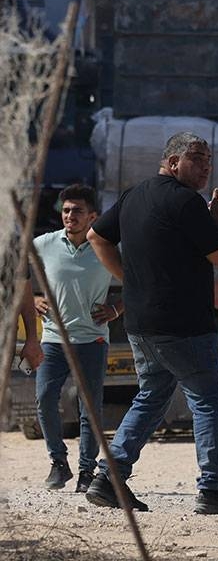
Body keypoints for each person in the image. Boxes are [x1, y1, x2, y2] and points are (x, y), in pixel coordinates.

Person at [85, 131, 218, 516]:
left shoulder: (133, 194)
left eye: (208, 159)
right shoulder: (186, 201)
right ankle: (212, 489)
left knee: (152, 395)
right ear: (173, 162)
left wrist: (129, 279)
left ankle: (109, 478)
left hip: (142, 322)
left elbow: (96, 236)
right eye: (197, 158)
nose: (206, 166)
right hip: (183, 323)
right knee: (207, 399)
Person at [27, 184, 117, 493]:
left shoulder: (106, 248)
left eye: (77, 211)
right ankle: (58, 462)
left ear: (93, 216)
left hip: (92, 340)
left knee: (89, 407)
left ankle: (86, 472)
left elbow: (142, 280)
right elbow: (19, 274)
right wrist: (35, 298)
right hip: (53, 340)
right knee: (44, 399)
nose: (69, 216)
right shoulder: (44, 244)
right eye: (66, 210)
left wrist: (117, 309)